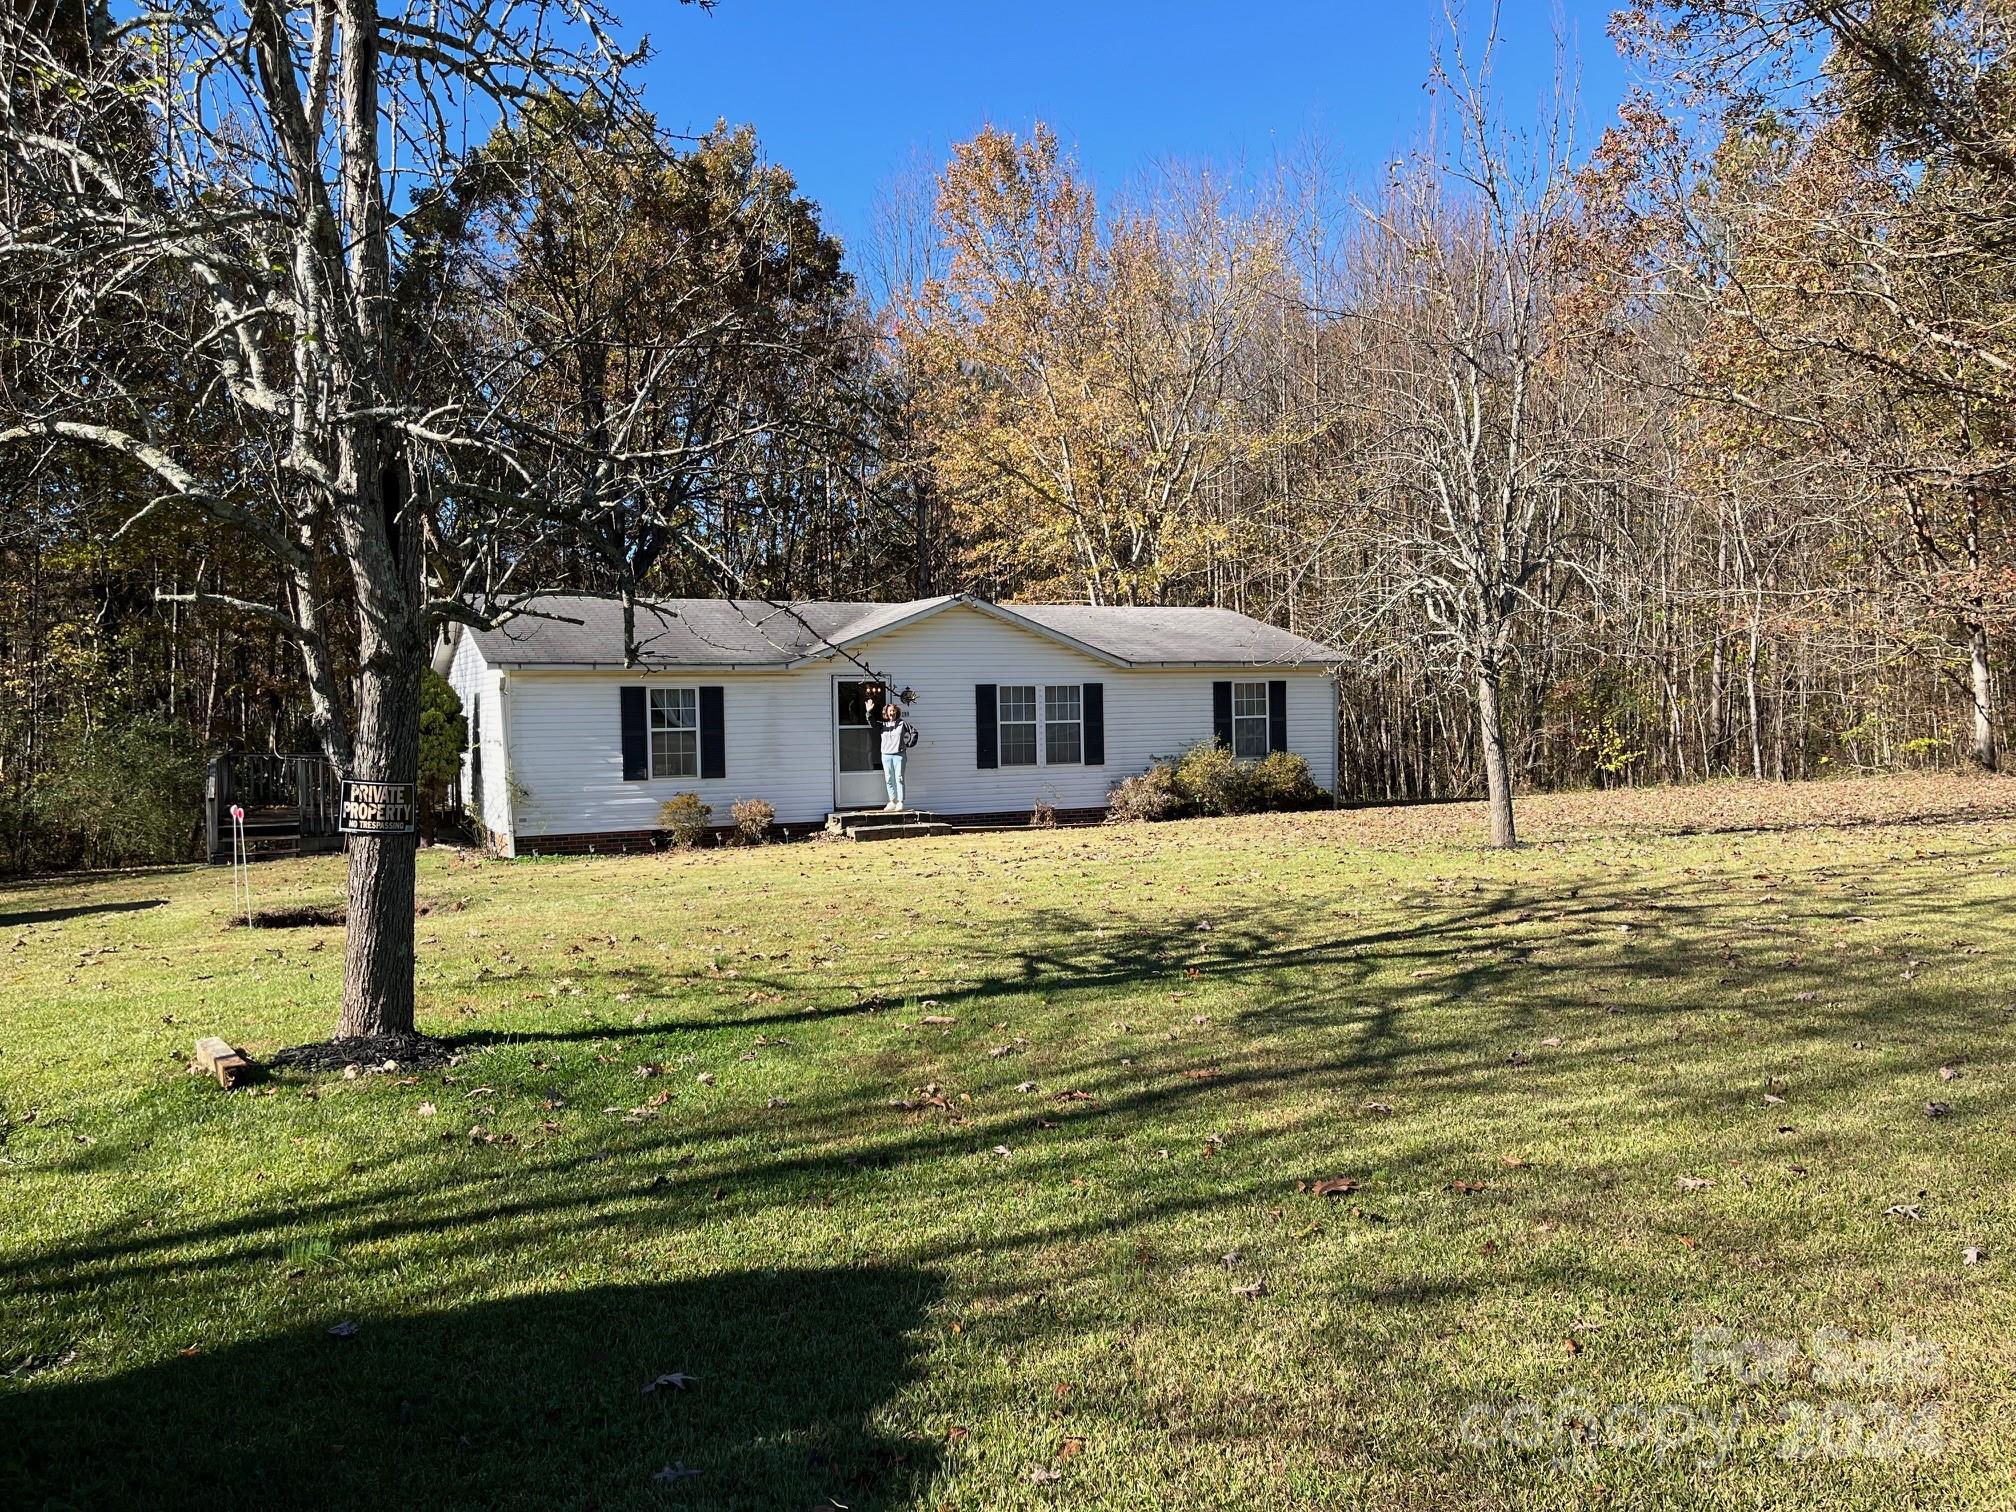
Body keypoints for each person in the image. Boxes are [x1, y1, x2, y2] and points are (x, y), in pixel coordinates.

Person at [878, 700, 918, 811]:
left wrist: (909, 743)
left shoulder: (902, 723)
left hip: (899, 755)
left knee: (899, 778)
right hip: (886, 755)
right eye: (890, 711)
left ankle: (900, 802)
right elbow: (871, 723)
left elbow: (914, 732)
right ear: (886, 712)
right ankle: (892, 801)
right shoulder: (883, 725)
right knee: (888, 779)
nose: (892, 713)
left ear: (897, 713)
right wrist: (868, 712)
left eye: (894, 711)